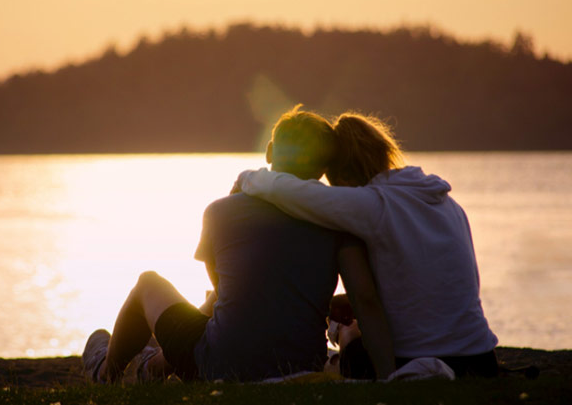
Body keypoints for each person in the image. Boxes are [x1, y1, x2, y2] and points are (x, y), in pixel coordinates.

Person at [82, 106, 356, 382]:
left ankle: (106, 372)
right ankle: (152, 367)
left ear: (270, 151)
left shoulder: (220, 211)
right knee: (216, 315)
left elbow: (222, 290)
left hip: (222, 367)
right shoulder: (335, 221)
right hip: (303, 363)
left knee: (148, 284)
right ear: (323, 168)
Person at [237, 111, 499, 378]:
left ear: (343, 176)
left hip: (416, 359)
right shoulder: (446, 202)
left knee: (348, 332)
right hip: (481, 358)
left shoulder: (373, 204)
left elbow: (289, 191)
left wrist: (248, 178)